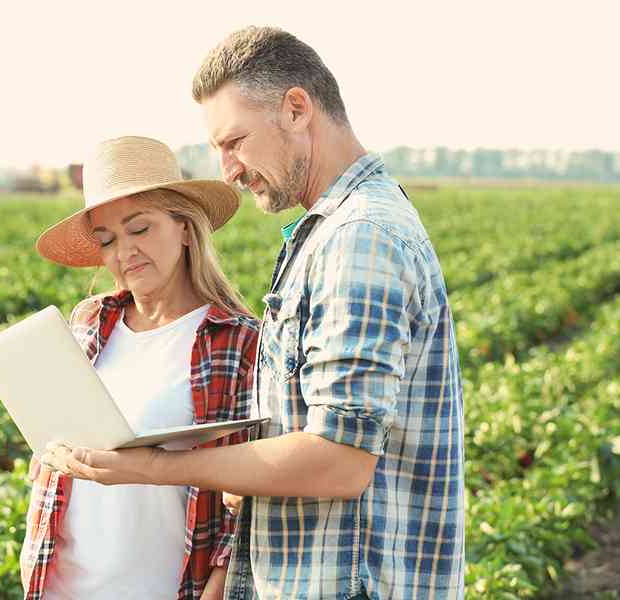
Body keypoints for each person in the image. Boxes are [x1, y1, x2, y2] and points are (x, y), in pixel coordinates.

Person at [42, 27, 465, 600]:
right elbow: (311, 439)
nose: (229, 170)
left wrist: (154, 467)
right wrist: (247, 487)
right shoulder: (327, 235)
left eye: (234, 141)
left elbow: (339, 461)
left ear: (296, 108)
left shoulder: (360, 238)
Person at [22, 135, 260, 600]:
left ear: (185, 227)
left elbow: (248, 499)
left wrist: (216, 589)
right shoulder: (90, 322)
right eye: (107, 240)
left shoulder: (238, 340)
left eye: (140, 229)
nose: (124, 252)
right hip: (63, 584)